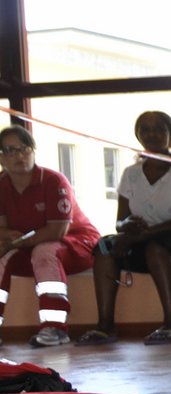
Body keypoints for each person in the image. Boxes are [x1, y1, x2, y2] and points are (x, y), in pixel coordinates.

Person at [76, 111, 171, 346]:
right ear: (138, 136)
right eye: (145, 130)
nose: (152, 134)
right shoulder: (131, 174)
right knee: (104, 248)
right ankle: (105, 327)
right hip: (147, 241)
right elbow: (121, 221)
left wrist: (139, 237)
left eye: (159, 129)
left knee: (157, 248)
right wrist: (127, 227)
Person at [0, 124, 100, 347]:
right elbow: (2, 229)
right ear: (1, 158)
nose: (19, 155)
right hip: (30, 246)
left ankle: (55, 328)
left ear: (34, 151)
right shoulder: (2, 184)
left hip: (77, 244)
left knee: (44, 251)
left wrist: (15, 240)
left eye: (25, 148)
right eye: (10, 150)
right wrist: (7, 238)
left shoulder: (54, 181)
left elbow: (57, 231)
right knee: (3, 256)